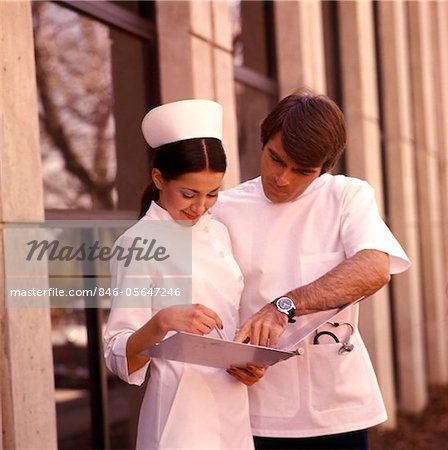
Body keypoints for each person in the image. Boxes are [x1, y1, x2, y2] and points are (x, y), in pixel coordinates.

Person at [212, 89, 411, 450]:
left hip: (339, 409)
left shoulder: (347, 196)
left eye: (302, 171)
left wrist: (282, 306)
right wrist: (234, 357)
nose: (283, 178)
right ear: (263, 142)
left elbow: (374, 267)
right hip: (256, 411)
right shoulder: (224, 210)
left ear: (324, 169)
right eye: (276, 159)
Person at [103, 99, 263, 450]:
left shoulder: (218, 232)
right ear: (159, 178)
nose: (200, 207)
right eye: (189, 194)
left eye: (212, 194)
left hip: (233, 407)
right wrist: (162, 321)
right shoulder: (138, 244)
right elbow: (117, 354)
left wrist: (247, 361)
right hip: (180, 418)